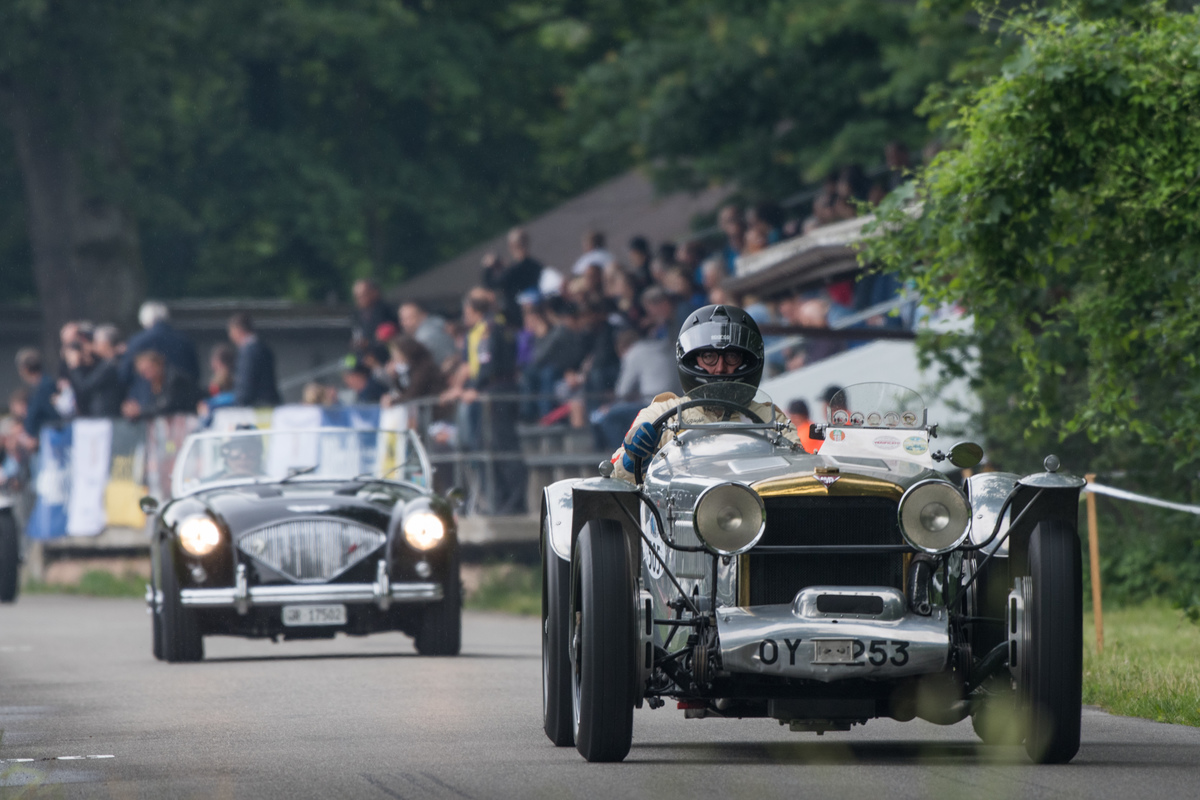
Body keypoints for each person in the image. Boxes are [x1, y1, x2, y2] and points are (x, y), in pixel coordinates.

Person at [609, 305, 803, 482]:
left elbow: (800, 470)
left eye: (732, 357)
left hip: (752, 513)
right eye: (709, 357)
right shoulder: (660, 414)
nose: (720, 368)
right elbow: (617, 477)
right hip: (675, 513)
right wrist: (633, 460)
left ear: (747, 360)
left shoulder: (769, 418)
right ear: (693, 360)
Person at [120, 351, 204, 419]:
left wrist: (140, 411)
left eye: (149, 369)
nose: (146, 375)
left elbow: (167, 406)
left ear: (159, 365)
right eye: (142, 372)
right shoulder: (152, 383)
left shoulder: (174, 379)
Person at [228, 312, 281, 408]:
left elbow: (246, 384)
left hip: (256, 407)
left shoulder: (248, 352)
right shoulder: (264, 347)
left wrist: (239, 403)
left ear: (238, 330)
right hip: (270, 403)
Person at [399, 301, 457, 372]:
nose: (404, 323)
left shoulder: (421, 339)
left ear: (423, 315)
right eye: (403, 319)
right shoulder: (438, 321)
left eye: (409, 318)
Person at [350, 279, 399, 352]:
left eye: (363, 295)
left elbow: (391, 337)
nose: (360, 299)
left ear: (374, 292)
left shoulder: (388, 311)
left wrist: (368, 343)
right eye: (357, 297)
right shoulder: (357, 315)